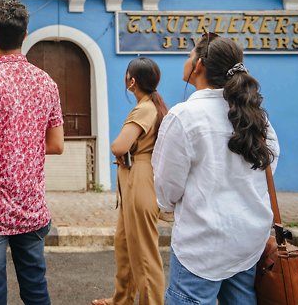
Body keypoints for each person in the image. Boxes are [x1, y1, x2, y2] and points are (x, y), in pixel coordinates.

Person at [152, 33, 280, 304]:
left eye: (189, 55)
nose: (187, 60)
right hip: (248, 240)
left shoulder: (184, 116)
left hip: (203, 243)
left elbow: (167, 186)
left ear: (199, 65)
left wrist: (167, 206)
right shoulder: (257, 116)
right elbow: (269, 164)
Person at [0, 0, 65, 305]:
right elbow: (57, 144)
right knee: (35, 291)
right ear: (25, 34)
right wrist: (23, 145)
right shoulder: (46, 83)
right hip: (31, 208)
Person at [93, 58, 167, 305]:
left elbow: (119, 146)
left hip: (140, 179)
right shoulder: (148, 105)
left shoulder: (145, 108)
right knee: (124, 246)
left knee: (144, 254)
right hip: (133, 177)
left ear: (132, 81)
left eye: (126, 76)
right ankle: (122, 299)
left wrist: (120, 149)